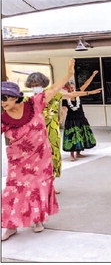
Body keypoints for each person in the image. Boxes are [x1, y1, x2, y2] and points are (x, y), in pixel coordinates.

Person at [1, 59, 75, 241]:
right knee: (13, 191)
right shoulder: (3, 117)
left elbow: (54, 89)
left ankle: (36, 220)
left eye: (3, 99)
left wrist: (68, 74)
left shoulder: (34, 103)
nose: (2, 103)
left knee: (37, 188)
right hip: (18, 162)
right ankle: (11, 225)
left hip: (40, 158)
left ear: (13, 96)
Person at [24, 70, 101, 192]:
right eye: (33, 85)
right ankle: (37, 184)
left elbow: (72, 95)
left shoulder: (55, 95)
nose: (35, 87)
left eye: (37, 85)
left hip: (52, 131)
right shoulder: (29, 100)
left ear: (43, 84)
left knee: (53, 157)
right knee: (37, 158)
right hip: (36, 132)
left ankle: (50, 184)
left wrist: (90, 92)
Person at [61, 79, 99, 161]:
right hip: (71, 120)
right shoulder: (65, 98)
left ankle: (78, 153)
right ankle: (71, 155)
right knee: (73, 136)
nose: (70, 90)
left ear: (74, 86)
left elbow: (86, 84)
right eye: (68, 89)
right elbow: (64, 109)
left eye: (71, 87)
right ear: (66, 89)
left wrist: (93, 75)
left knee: (81, 135)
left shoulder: (78, 93)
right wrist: (60, 119)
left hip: (81, 118)